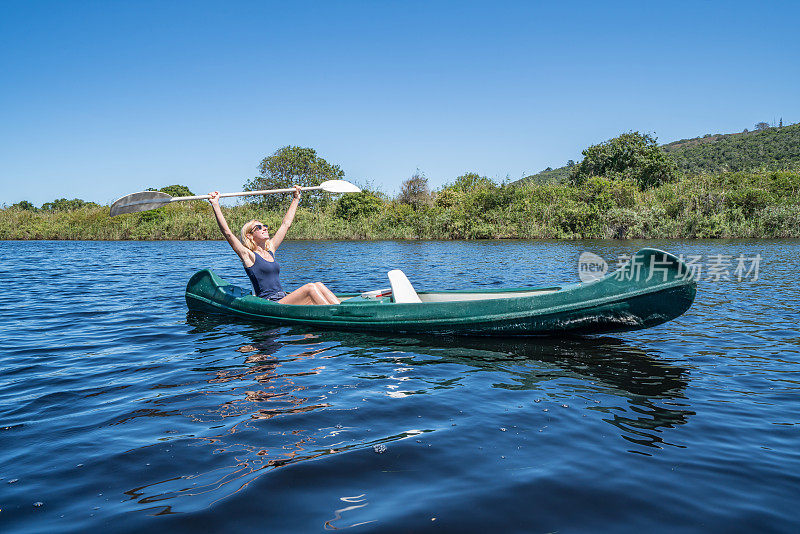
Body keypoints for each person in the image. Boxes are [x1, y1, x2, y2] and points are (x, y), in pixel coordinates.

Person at [207, 186, 340, 305]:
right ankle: (334, 314)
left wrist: (296, 198)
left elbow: (285, 224)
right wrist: (215, 204)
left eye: (264, 226)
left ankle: (342, 309)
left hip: (283, 297)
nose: (264, 228)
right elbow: (227, 233)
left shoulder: (270, 250)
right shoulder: (248, 255)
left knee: (319, 285)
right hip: (270, 302)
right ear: (249, 235)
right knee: (311, 288)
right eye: (259, 227)